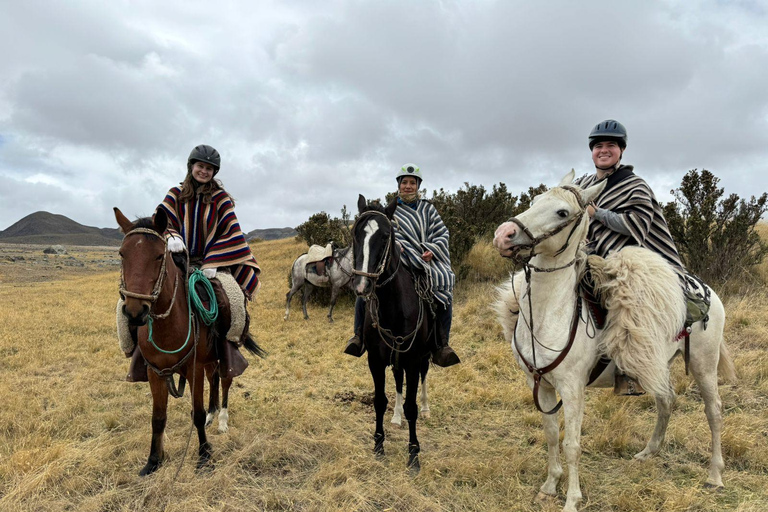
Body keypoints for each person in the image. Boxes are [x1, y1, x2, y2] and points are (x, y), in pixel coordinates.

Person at [117, 144, 261, 380]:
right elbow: (160, 220)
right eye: (200, 166)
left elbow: (233, 233)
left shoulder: (221, 199)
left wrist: (213, 260)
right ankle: (138, 353)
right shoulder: (175, 193)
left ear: (214, 172)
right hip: (176, 259)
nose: (203, 171)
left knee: (232, 300)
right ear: (191, 167)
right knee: (132, 298)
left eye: (209, 168)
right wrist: (172, 235)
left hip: (213, 262)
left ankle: (227, 351)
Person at [576, 120, 685, 394]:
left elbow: (635, 225)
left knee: (626, 299)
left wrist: (596, 213)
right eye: (598, 146)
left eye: (610, 145)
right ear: (592, 152)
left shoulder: (635, 185)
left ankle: (629, 371)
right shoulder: (583, 184)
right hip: (591, 256)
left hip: (638, 260)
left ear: (621, 150)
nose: (604, 150)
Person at [343, 163, 460, 367]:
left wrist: (432, 249)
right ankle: (359, 337)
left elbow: (442, 233)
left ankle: (441, 345)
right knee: (367, 287)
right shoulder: (390, 210)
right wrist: (397, 246)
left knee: (444, 290)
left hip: (426, 259)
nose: (408, 186)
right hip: (399, 259)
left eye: (412, 183)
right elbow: (382, 235)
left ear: (418, 185)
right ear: (398, 185)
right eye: (404, 182)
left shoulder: (428, 209)